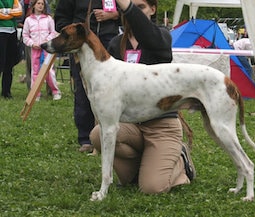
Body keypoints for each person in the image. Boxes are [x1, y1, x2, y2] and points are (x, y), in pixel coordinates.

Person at [89, 0, 196, 194]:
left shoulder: (161, 37)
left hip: (161, 125)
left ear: (153, 10)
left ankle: (180, 160)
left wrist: (128, 7)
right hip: (132, 126)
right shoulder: (115, 44)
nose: (133, 13)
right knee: (97, 134)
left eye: (141, 7)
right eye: (131, 8)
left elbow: (146, 32)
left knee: (153, 188)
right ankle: (147, 164)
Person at [54, 0, 120, 152]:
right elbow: (61, 19)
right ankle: (87, 138)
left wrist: (114, 15)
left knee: (113, 91)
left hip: (109, 43)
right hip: (81, 48)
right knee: (84, 90)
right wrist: (77, 32)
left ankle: (113, 135)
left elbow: (131, 12)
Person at [22, 0, 61, 100]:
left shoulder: (48, 19)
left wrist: (45, 42)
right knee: (35, 71)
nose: (40, 6)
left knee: (49, 71)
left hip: (46, 49)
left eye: (42, 4)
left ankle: (55, 91)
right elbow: (25, 36)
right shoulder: (28, 20)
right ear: (34, 5)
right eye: (38, 3)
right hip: (35, 49)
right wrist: (32, 43)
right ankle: (36, 93)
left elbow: (53, 33)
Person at [0, 0, 23, 98]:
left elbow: (19, 12)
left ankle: (6, 92)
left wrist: (4, 11)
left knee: (9, 64)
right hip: (1, 32)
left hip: (12, 31)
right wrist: (11, 12)